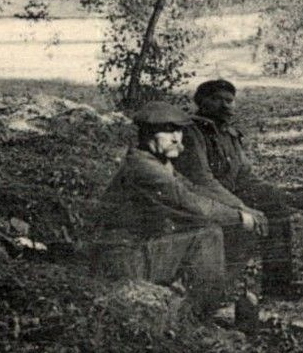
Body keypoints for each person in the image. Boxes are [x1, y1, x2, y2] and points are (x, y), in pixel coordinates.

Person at [86, 100, 264, 314]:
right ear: (147, 134)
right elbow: (190, 204)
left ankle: (203, 303)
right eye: (168, 131)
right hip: (121, 259)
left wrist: (241, 210)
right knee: (209, 235)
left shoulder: (158, 161)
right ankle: (201, 317)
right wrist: (239, 217)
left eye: (178, 130)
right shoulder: (145, 168)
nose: (176, 138)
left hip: (138, 247)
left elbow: (194, 189)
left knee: (218, 229)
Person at [179, 79, 303, 297]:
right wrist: (242, 208)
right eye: (217, 99)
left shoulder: (229, 134)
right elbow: (203, 182)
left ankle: (278, 285)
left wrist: (281, 194)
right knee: (269, 210)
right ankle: (274, 286)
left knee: (276, 207)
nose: (225, 106)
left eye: (230, 101)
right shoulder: (193, 133)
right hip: (201, 200)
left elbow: (246, 177)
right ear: (202, 102)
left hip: (227, 195)